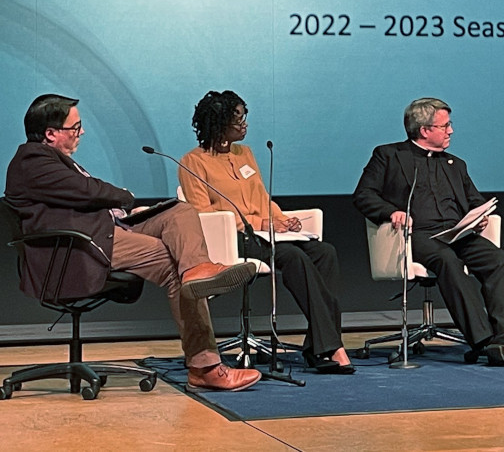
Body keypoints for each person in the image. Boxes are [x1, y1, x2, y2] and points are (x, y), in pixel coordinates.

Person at [4, 94, 261, 391]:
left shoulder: (50, 161)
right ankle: (205, 367)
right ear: (50, 133)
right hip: (77, 248)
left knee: (179, 211)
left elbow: (79, 198)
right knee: (170, 264)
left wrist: (126, 212)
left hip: (106, 229)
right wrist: (124, 197)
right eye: (76, 127)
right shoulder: (33, 160)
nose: (82, 132)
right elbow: (88, 191)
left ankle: (198, 269)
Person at [353, 98, 504, 366]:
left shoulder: (456, 164)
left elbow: (474, 200)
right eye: (445, 125)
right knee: (447, 261)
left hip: (458, 234)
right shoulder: (389, 156)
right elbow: (363, 195)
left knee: (500, 261)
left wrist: (479, 217)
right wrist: (390, 211)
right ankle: (484, 342)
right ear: (425, 130)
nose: (451, 131)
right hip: (418, 235)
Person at [179, 90, 353, 374]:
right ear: (219, 122)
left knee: (325, 252)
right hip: (232, 239)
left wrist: (281, 220)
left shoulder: (244, 153)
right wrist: (256, 222)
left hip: (265, 233)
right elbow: (203, 213)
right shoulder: (193, 162)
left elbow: (262, 197)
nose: (244, 123)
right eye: (237, 118)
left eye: (243, 115)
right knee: (293, 257)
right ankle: (331, 347)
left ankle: (318, 343)